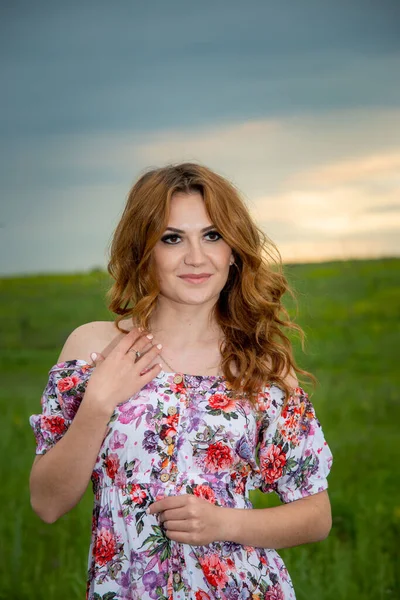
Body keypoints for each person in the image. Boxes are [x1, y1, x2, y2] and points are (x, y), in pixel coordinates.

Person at [29, 162, 333, 600]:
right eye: (172, 238)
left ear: (233, 250)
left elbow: (315, 515)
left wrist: (224, 523)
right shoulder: (93, 348)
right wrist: (98, 403)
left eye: (212, 235)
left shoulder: (260, 367)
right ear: (144, 250)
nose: (196, 257)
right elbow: (47, 504)